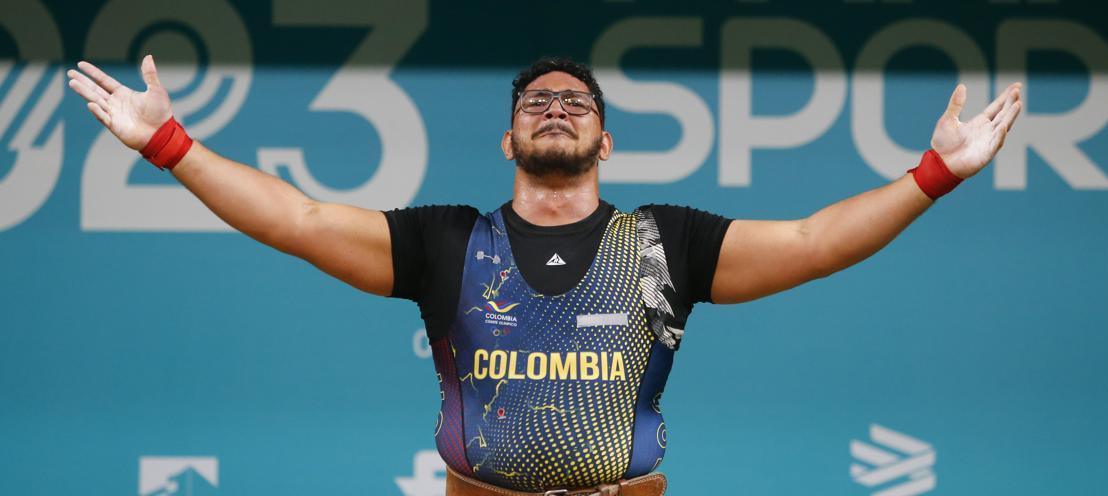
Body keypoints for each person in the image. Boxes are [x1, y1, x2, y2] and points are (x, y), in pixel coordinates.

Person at [67, 55, 1021, 496]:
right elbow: (300, 219)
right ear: (509, 136)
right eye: (536, 101)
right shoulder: (446, 242)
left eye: (576, 101)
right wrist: (170, 144)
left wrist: (932, 174)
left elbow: (815, 241)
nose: (555, 108)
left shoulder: (665, 244)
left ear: (605, 137)